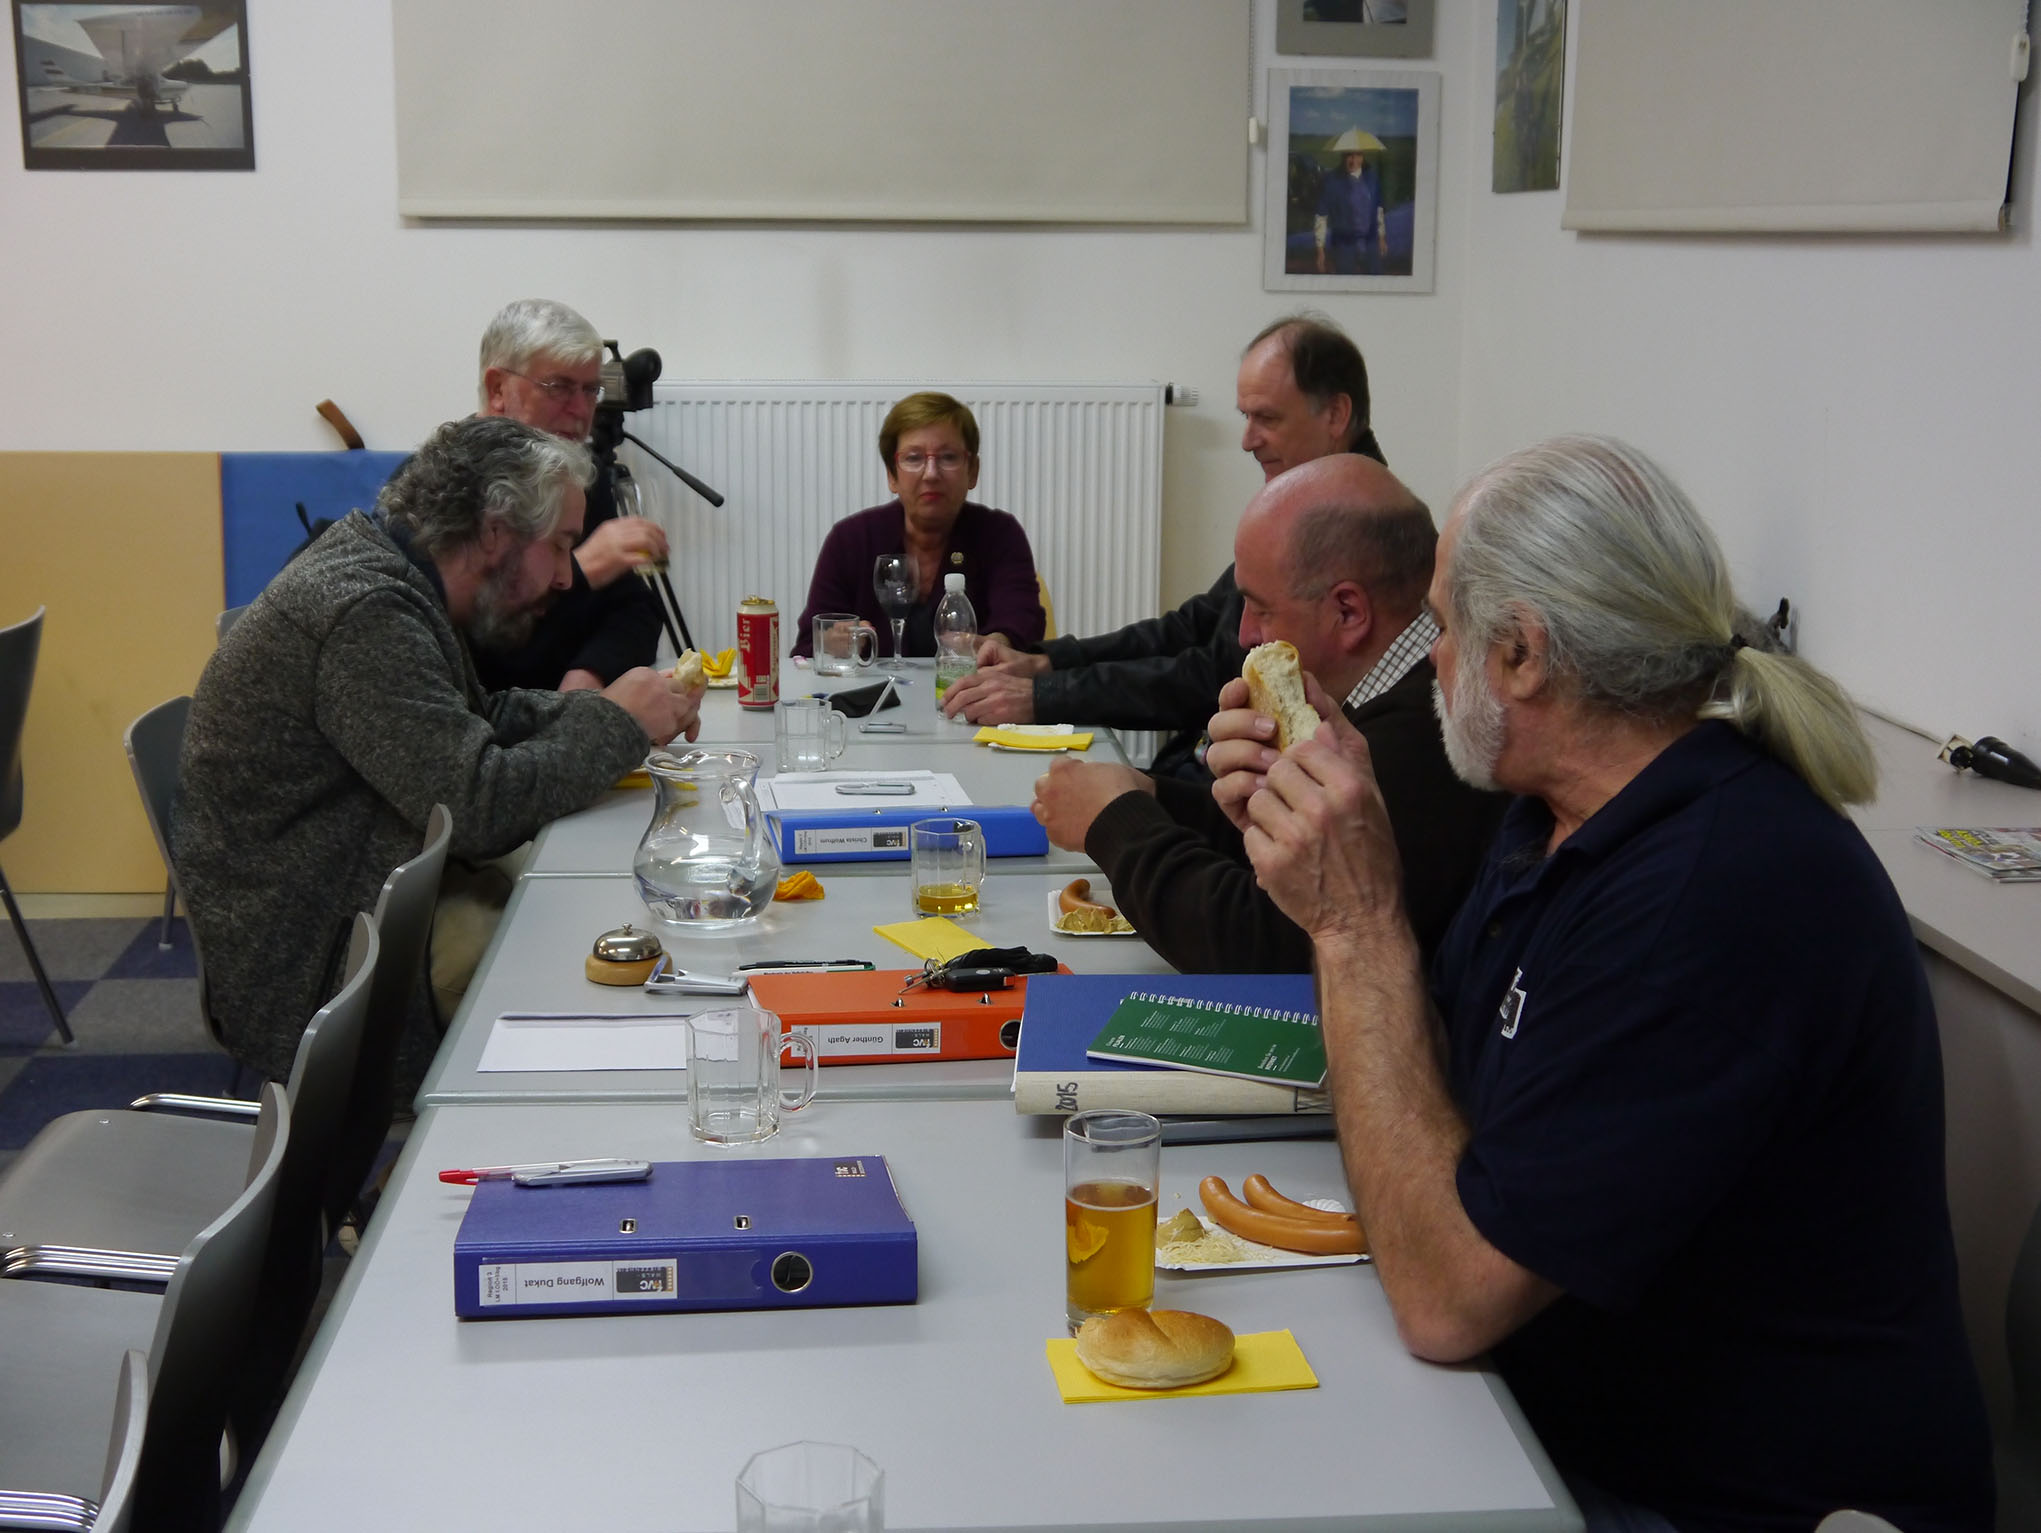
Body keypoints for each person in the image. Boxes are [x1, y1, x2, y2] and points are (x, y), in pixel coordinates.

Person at [1211, 436, 1993, 1531]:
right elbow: (1442, 1083)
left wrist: (1353, 924)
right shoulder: (1556, 812)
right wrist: (1337, 847)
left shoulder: (1712, 891)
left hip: (1718, 1500)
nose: (1429, 659)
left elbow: (1446, 1300)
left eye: (1443, 628)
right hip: (1533, 1416)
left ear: (1522, 654)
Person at [175, 416, 703, 1094]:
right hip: (318, 956)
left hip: (371, 889)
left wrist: (611, 710)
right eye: (560, 546)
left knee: (592, 905)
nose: (567, 577)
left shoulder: (393, 573)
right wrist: (617, 724)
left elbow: (478, 721)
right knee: (574, 963)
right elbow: (478, 806)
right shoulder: (364, 612)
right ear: (494, 532)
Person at [1030, 453, 1503, 971]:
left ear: (1348, 611)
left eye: (1260, 608)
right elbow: (1280, 856)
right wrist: (1154, 796)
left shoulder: (1425, 736)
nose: (1244, 634)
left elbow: (1263, 942)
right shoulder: (1376, 702)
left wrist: (1115, 821)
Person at [942, 316, 1382, 782]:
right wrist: (1045, 663)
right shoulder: (1311, 503)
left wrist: (1044, 695)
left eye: (1267, 418)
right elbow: (1193, 625)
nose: (1247, 441)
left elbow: (1216, 674)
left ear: (1335, 414)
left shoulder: (1353, 526)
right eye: (1246, 417)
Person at [472, 298, 670, 693]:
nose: (581, 410)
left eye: (591, 390)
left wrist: (589, 675)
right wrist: (580, 571)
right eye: (559, 387)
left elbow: (639, 610)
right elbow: (476, 655)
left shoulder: (579, 476)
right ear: (498, 389)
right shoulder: (448, 486)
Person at [791, 392, 1045, 660]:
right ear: (892, 475)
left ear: (972, 471)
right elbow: (807, 648)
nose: (931, 474)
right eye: (914, 458)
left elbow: (1022, 625)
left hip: (972, 684)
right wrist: (831, 643)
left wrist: (998, 644)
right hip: (875, 689)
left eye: (948, 457)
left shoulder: (1000, 534)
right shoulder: (851, 539)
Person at [1315, 133, 1388, 276]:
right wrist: (1320, 251)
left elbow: (1378, 210)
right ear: (1342, 156)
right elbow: (1321, 217)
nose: (1354, 161)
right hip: (1344, 245)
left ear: (1363, 156)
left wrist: (1381, 238)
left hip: (1370, 242)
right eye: (1349, 155)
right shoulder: (1331, 181)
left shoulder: (1372, 178)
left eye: (1358, 155)